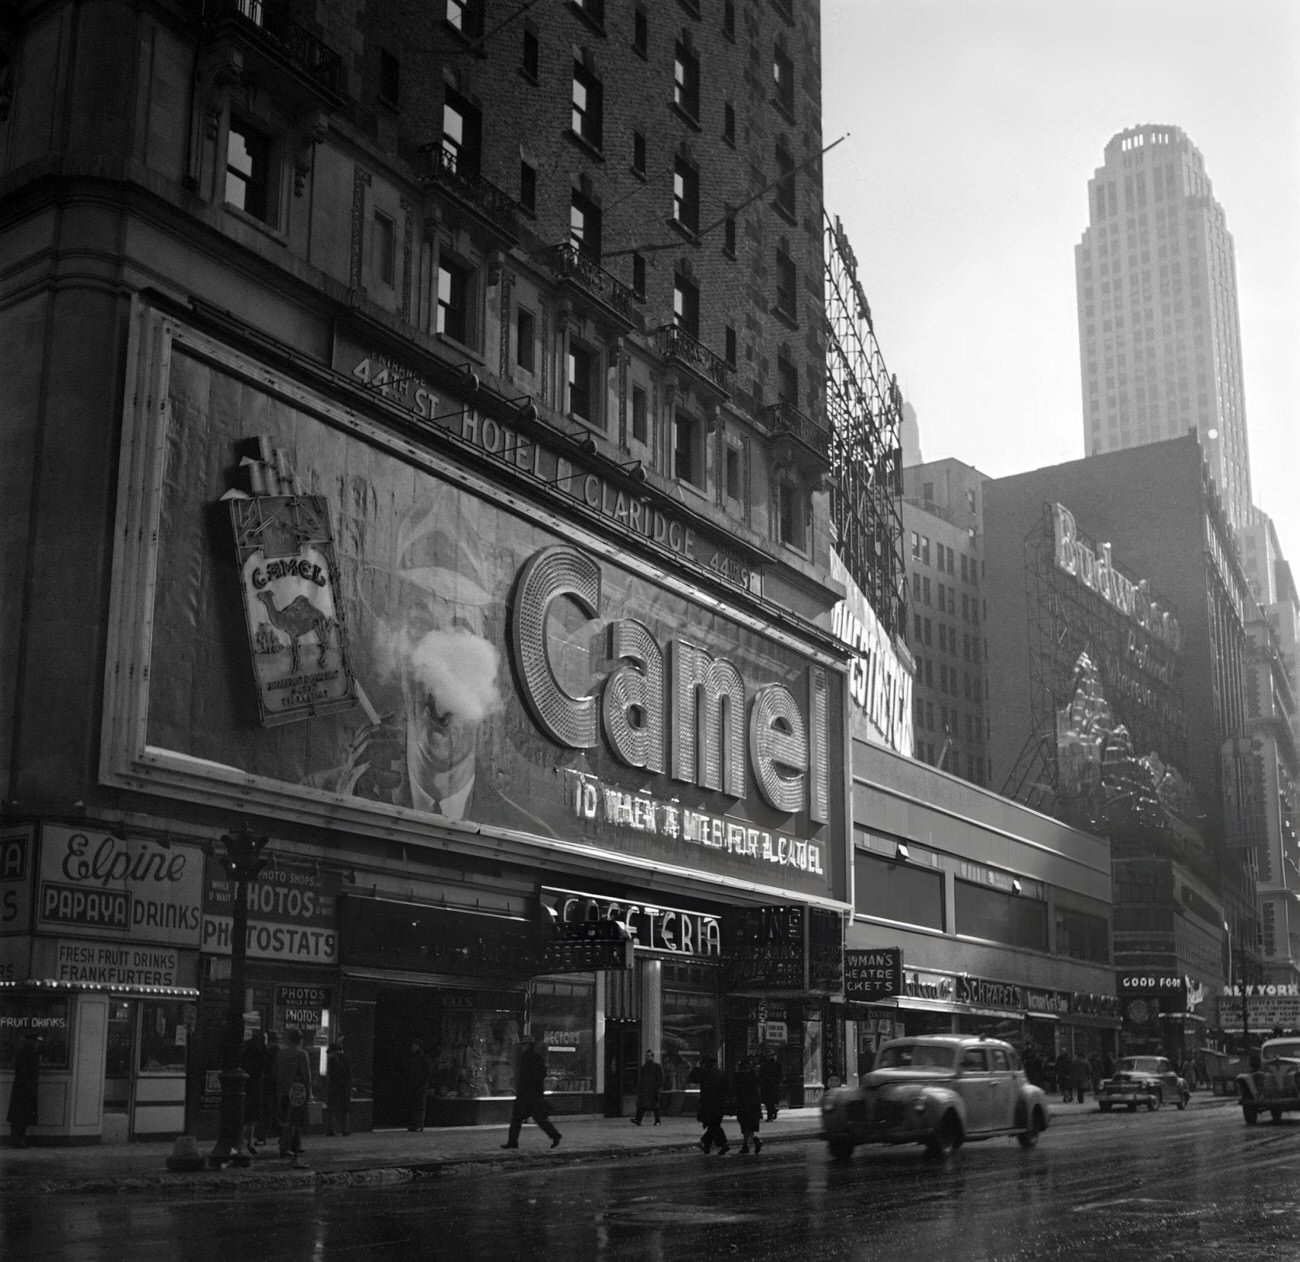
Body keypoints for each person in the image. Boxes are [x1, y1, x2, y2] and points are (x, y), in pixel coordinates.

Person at [501, 1034, 561, 1150]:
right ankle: (513, 1142)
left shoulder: (532, 1058)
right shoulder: (528, 1057)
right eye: (522, 1045)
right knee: (523, 1118)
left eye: (525, 1044)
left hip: (530, 1094)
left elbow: (538, 1075)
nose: (523, 1047)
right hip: (529, 1093)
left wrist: (530, 1087)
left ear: (530, 1045)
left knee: (529, 1118)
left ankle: (555, 1136)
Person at [275, 1028, 313, 1167]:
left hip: (282, 1090)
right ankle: (285, 1147)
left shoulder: (281, 1053)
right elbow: (306, 1074)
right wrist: (309, 1091)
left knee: (286, 1118)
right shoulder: (302, 1054)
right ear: (300, 1040)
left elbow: (276, 1071)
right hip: (297, 1091)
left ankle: (289, 1145)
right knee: (293, 1120)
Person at [688, 1054, 731, 1155]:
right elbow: (728, 1087)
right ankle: (706, 1144)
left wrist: (697, 1068)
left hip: (708, 1103)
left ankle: (723, 1144)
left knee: (713, 1125)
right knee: (714, 1124)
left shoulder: (704, 1072)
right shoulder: (721, 1073)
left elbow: (693, 1079)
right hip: (720, 1103)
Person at [6, 1032, 42, 1147]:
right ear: (31, 1042)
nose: (37, 1044)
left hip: (21, 1087)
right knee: (23, 1116)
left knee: (18, 1115)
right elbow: (25, 1071)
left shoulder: (22, 1051)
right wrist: (31, 1086)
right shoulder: (29, 1053)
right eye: (36, 1041)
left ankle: (16, 1139)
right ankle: (19, 1139)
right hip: (26, 1088)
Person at [240, 1030, 268, 1156]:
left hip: (244, 1087)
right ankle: (246, 1142)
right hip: (255, 1087)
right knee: (251, 1118)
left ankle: (244, 1142)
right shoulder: (260, 1055)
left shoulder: (245, 1053)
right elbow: (266, 1067)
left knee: (246, 1117)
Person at [732, 1056, 763, 1154]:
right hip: (754, 1104)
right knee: (750, 1126)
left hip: (743, 1104)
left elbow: (733, 1090)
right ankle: (745, 1145)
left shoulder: (738, 1077)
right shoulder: (754, 1076)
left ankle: (754, 1141)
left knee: (745, 1125)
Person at [258, 1030, 281, 1145]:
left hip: (267, 1081)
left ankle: (262, 1136)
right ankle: (283, 1135)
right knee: (274, 1110)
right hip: (274, 1083)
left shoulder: (266, 1050)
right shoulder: (276, 1050)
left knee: (267, 1111)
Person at [630, 1050, 664, 1126]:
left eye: (649, 1056)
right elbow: (641, 1079)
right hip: (644, 1089)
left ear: (652, 1057)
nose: (647, 1057)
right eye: (646, 1056)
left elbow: (660, 1079)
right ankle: (638, 1119)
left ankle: (657, 1120)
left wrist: (656, 1087)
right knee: (641, 1105)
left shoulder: (657, 1067)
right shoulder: (643, 1067)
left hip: (653, 1089)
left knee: (655, 1106)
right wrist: (639, 1088)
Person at [325, 1041, 351, 1137]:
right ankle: (345, 1129)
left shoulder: (333, 1060)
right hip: (344, 1088)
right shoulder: (345, 1059)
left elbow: (331, 1076)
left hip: (335, 1088)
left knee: (333, 1109)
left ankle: (332, 1129)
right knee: (344, 1109)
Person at [407, 1038, 432, 1132]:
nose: (412, 1047)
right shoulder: (418, 1057)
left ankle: (418, 1124)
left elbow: (426, 1071)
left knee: (419, 1105)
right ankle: (417, 1124)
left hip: (419, 1084)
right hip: (418, 1083)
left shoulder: (421, 1057)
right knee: (417, 1105)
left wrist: (421, 1082)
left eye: (414, 1045)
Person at [758, 1048, 782, 1123]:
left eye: (770, 1055)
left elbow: (780, 1074)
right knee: (767, 1101)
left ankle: (771, 1115)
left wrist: (777, 1082)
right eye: (767, 1055)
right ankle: (772, 1112)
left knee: (772, 1101)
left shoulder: (777, 1064)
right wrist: (761, 1081)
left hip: (773, 1085)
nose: (768, 1057)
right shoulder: (764, 1063)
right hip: (765, 1085)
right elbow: (761, 1073)